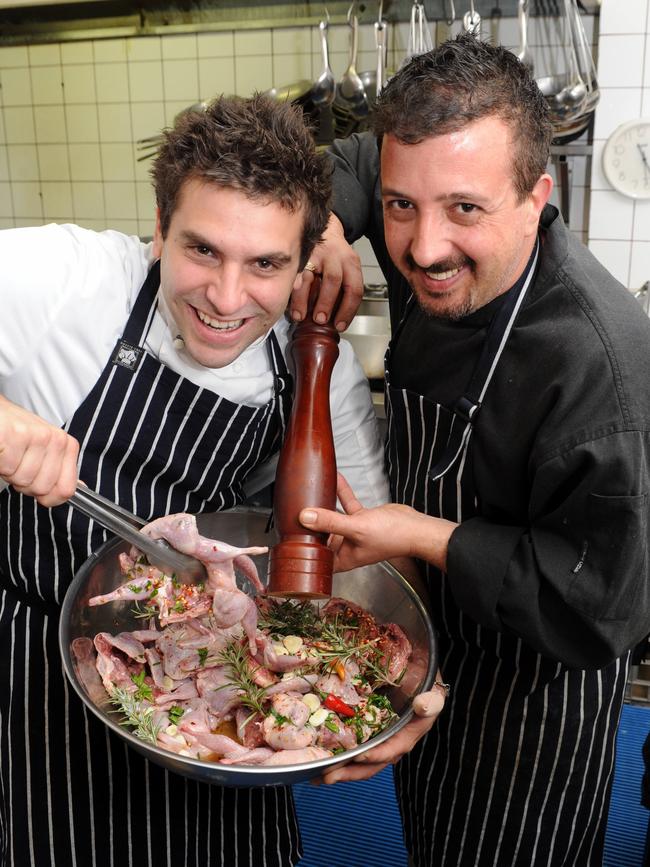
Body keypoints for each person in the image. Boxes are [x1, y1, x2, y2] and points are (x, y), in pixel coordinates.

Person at [0, 94, 444, 867]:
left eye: (267, 264)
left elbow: (369, 539)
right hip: (35, 673)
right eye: (202, 251)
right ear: (160, 224)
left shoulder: (312, 369)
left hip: (221, 686)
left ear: (306, 259)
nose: (228, 298)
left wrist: (416, 684)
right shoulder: (63, 282)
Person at [295, 34, 650, 866]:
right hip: (434, 638)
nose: (422, 250)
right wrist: (318, 229)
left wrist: (418, 535)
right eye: (397, 206)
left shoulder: (599, 372)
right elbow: (337, 160)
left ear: (536, 194)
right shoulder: (422, 215)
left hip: (531, 701)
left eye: (464, 209)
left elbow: (597, 606)